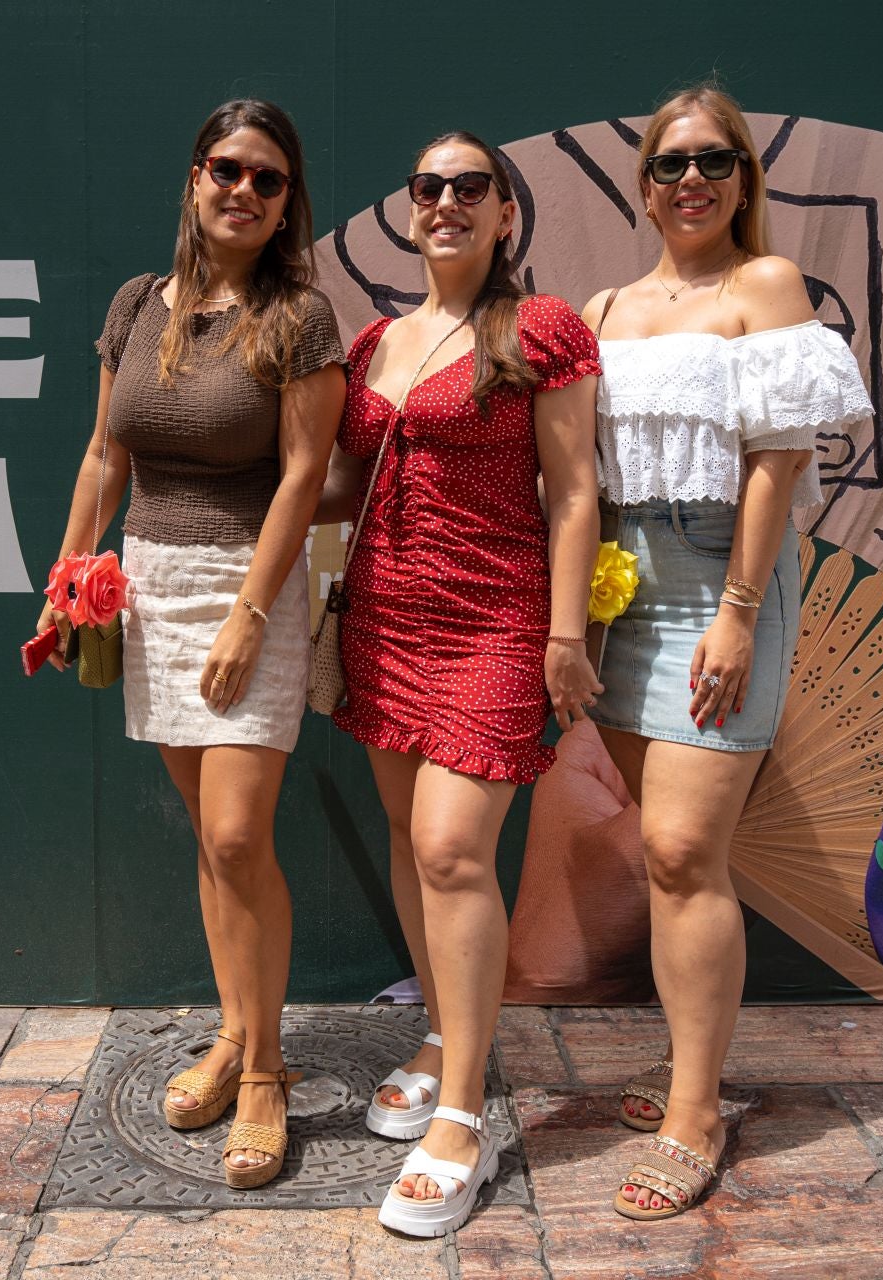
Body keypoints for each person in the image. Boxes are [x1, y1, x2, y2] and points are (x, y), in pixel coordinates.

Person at [37, 99, 346, 1190]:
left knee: (233, 835)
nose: (244, 192)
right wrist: (71, 577)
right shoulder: (135, 304)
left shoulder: (302, 316)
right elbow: (102, 454)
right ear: (194, 177)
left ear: (285, 201)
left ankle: (265, 1073)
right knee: (210, 842)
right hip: (149, 585)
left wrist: (254, 614)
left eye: (268, 180)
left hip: (245, 585)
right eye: (228, 169)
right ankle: (232, 1030)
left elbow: (305, 478)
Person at [582, 83, 871, 1219]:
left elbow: (777, 460)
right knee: (671, 859)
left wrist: (741, 605)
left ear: (746, 175)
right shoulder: (603, 305)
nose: (691, 180)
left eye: (714, 160)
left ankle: (697, 1111)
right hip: (624, 583)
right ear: (641, 181)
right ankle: (691, 1068)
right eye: (669, 163)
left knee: (682, 844)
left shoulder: (764, 285)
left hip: (721, 577)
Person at [317, 131, 603, 1236]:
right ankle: (441, 1032)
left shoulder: (542, 327)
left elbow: (573, 492)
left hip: (496, 619)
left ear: (504, 215)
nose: (444, 201)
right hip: (385, 619)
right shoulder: (380, 336)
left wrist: (566, 634)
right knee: (407, 835)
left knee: (451, 846)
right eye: (427, 186)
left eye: (467, 187)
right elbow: (348, 477)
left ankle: (467, 1116)